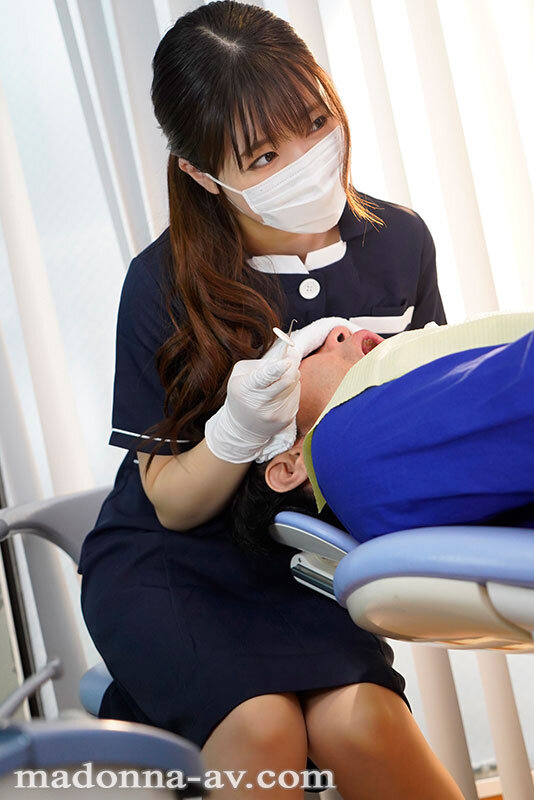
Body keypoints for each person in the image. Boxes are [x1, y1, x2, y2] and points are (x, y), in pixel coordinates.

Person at [77, 3, 463, 798]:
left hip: (305, 559)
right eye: (262, 156)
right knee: (264, 730)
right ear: (200, 174)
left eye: (316, 122)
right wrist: (234, 433)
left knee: (360, 723)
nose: (307, 160)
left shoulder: (399, 243)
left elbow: (424, 421)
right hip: (172, 568)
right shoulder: (162, 286)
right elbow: (171, 505)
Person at [231, 313, 534, 548]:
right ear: (290, 465)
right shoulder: (342, 446)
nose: (339, 331)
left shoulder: (361, 448)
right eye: (305, 354)